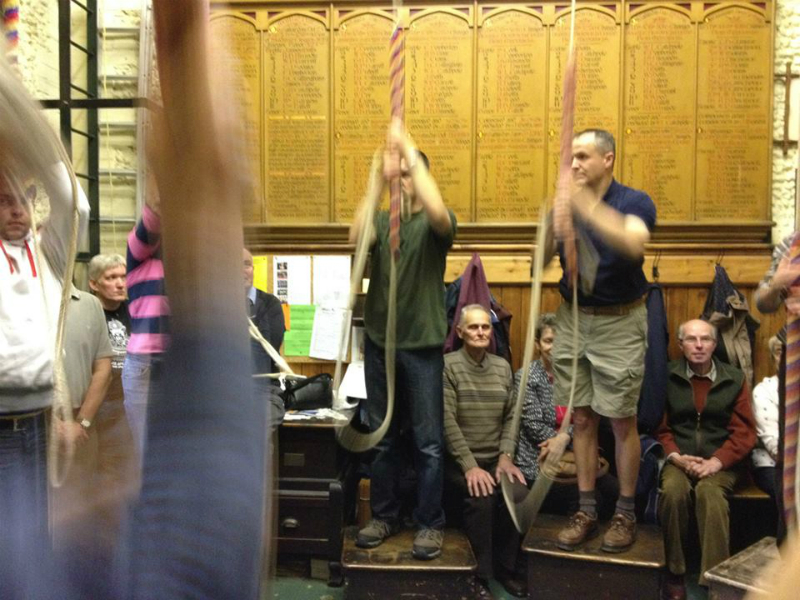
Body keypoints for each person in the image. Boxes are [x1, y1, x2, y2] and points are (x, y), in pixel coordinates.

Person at [546, 129, 656, 553]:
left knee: (621, 420)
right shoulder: (568, 202)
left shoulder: (634, 201)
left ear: (607, 159)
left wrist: (584, 207)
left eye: (583, 156)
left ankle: (625, 513)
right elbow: (540, 258)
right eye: (570, 157)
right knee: (583, 419)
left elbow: (632, 241)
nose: (573, 164)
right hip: (573, 317)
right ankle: (587, 510)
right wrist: (551, 222)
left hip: (619, 321)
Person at [352, 119, 456, 560]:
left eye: (409, 175)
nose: (402, 179)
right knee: (382, 437)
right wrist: (378, 181)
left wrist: (408, 149)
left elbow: (437, 211)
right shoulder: (381, 219)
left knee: (429, 442)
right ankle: (385, 515)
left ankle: (430, 523)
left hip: (422, 347)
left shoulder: (435, 226)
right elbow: (357, 241)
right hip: (380, 342)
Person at [0, 161, 89, 597]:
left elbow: (78, 209)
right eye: (3, 202)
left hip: (36, 419)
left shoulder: (43, 255)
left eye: (23, 201)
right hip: (3, 422)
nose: (17, 211)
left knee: (34, 530)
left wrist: (43, 152)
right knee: (9, 537)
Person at [656, 319, 756, 599]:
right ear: (680, 345)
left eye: (705, 339)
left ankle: (715, 580)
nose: (698, 345)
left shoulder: (733, 378)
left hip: (722, 462)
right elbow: (658, 427)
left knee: (710, 494)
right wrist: (674, 456)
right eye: (691, 339)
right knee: (673, 492)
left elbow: (745, 433)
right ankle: (674, 573)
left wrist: (717, 461)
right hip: (679, 458)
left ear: (714, 344)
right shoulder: (667, 376)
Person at [442, 304, 526, 598]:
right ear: (460, 331)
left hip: (495, 458)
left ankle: (506, 569)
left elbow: (511, 417)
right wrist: (469, 466)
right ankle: (480, 575)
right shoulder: (448, 366)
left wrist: (506, 456)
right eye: (474, 327)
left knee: (517, 494)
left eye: (486, 327)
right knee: (482, 497)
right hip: (459, 461)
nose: (480, 332)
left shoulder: (503, 367)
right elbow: (446, 420)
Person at [514, 314, 618, 520]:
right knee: (589, 499)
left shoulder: (579, 375)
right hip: (540, 461)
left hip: (576, 456)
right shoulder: (527, 376)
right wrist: (569, 436)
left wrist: (565, 437)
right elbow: (534, 427)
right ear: (537, 344)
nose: (556, 347)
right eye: (549, 341)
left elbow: (592, 420)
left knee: (615, 490)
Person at [52, 288, 113, 596]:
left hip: (81, 423)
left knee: (79, 510)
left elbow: (103, 368)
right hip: (29, 421)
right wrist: (53, 424)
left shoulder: (88, 304)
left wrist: (81, 421)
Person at [87, 253, 138, 555]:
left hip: (131, 401)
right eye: (111, 278)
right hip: (101, 404)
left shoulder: (134, 311)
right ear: (94, 283)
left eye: (123, 277)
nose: (120, 284)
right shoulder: (87, 313)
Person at [124, 192, 168, 458]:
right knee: (147, 454)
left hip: (182, 363)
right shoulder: (140, 255)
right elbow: (151, 221)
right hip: (146, 365)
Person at [244, 248, 286, 427]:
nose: (241, 270)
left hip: (264, 390)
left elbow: (265, 352)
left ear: (253, 269)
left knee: (258, 420)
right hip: (226, 390)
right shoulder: (218, 304)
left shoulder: (271, 304)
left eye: (246, 265)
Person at [751, 335, 781, 504]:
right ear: (772, 358)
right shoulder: (764, 391)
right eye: (779, 352)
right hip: (773, 465)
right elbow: (774, 445)